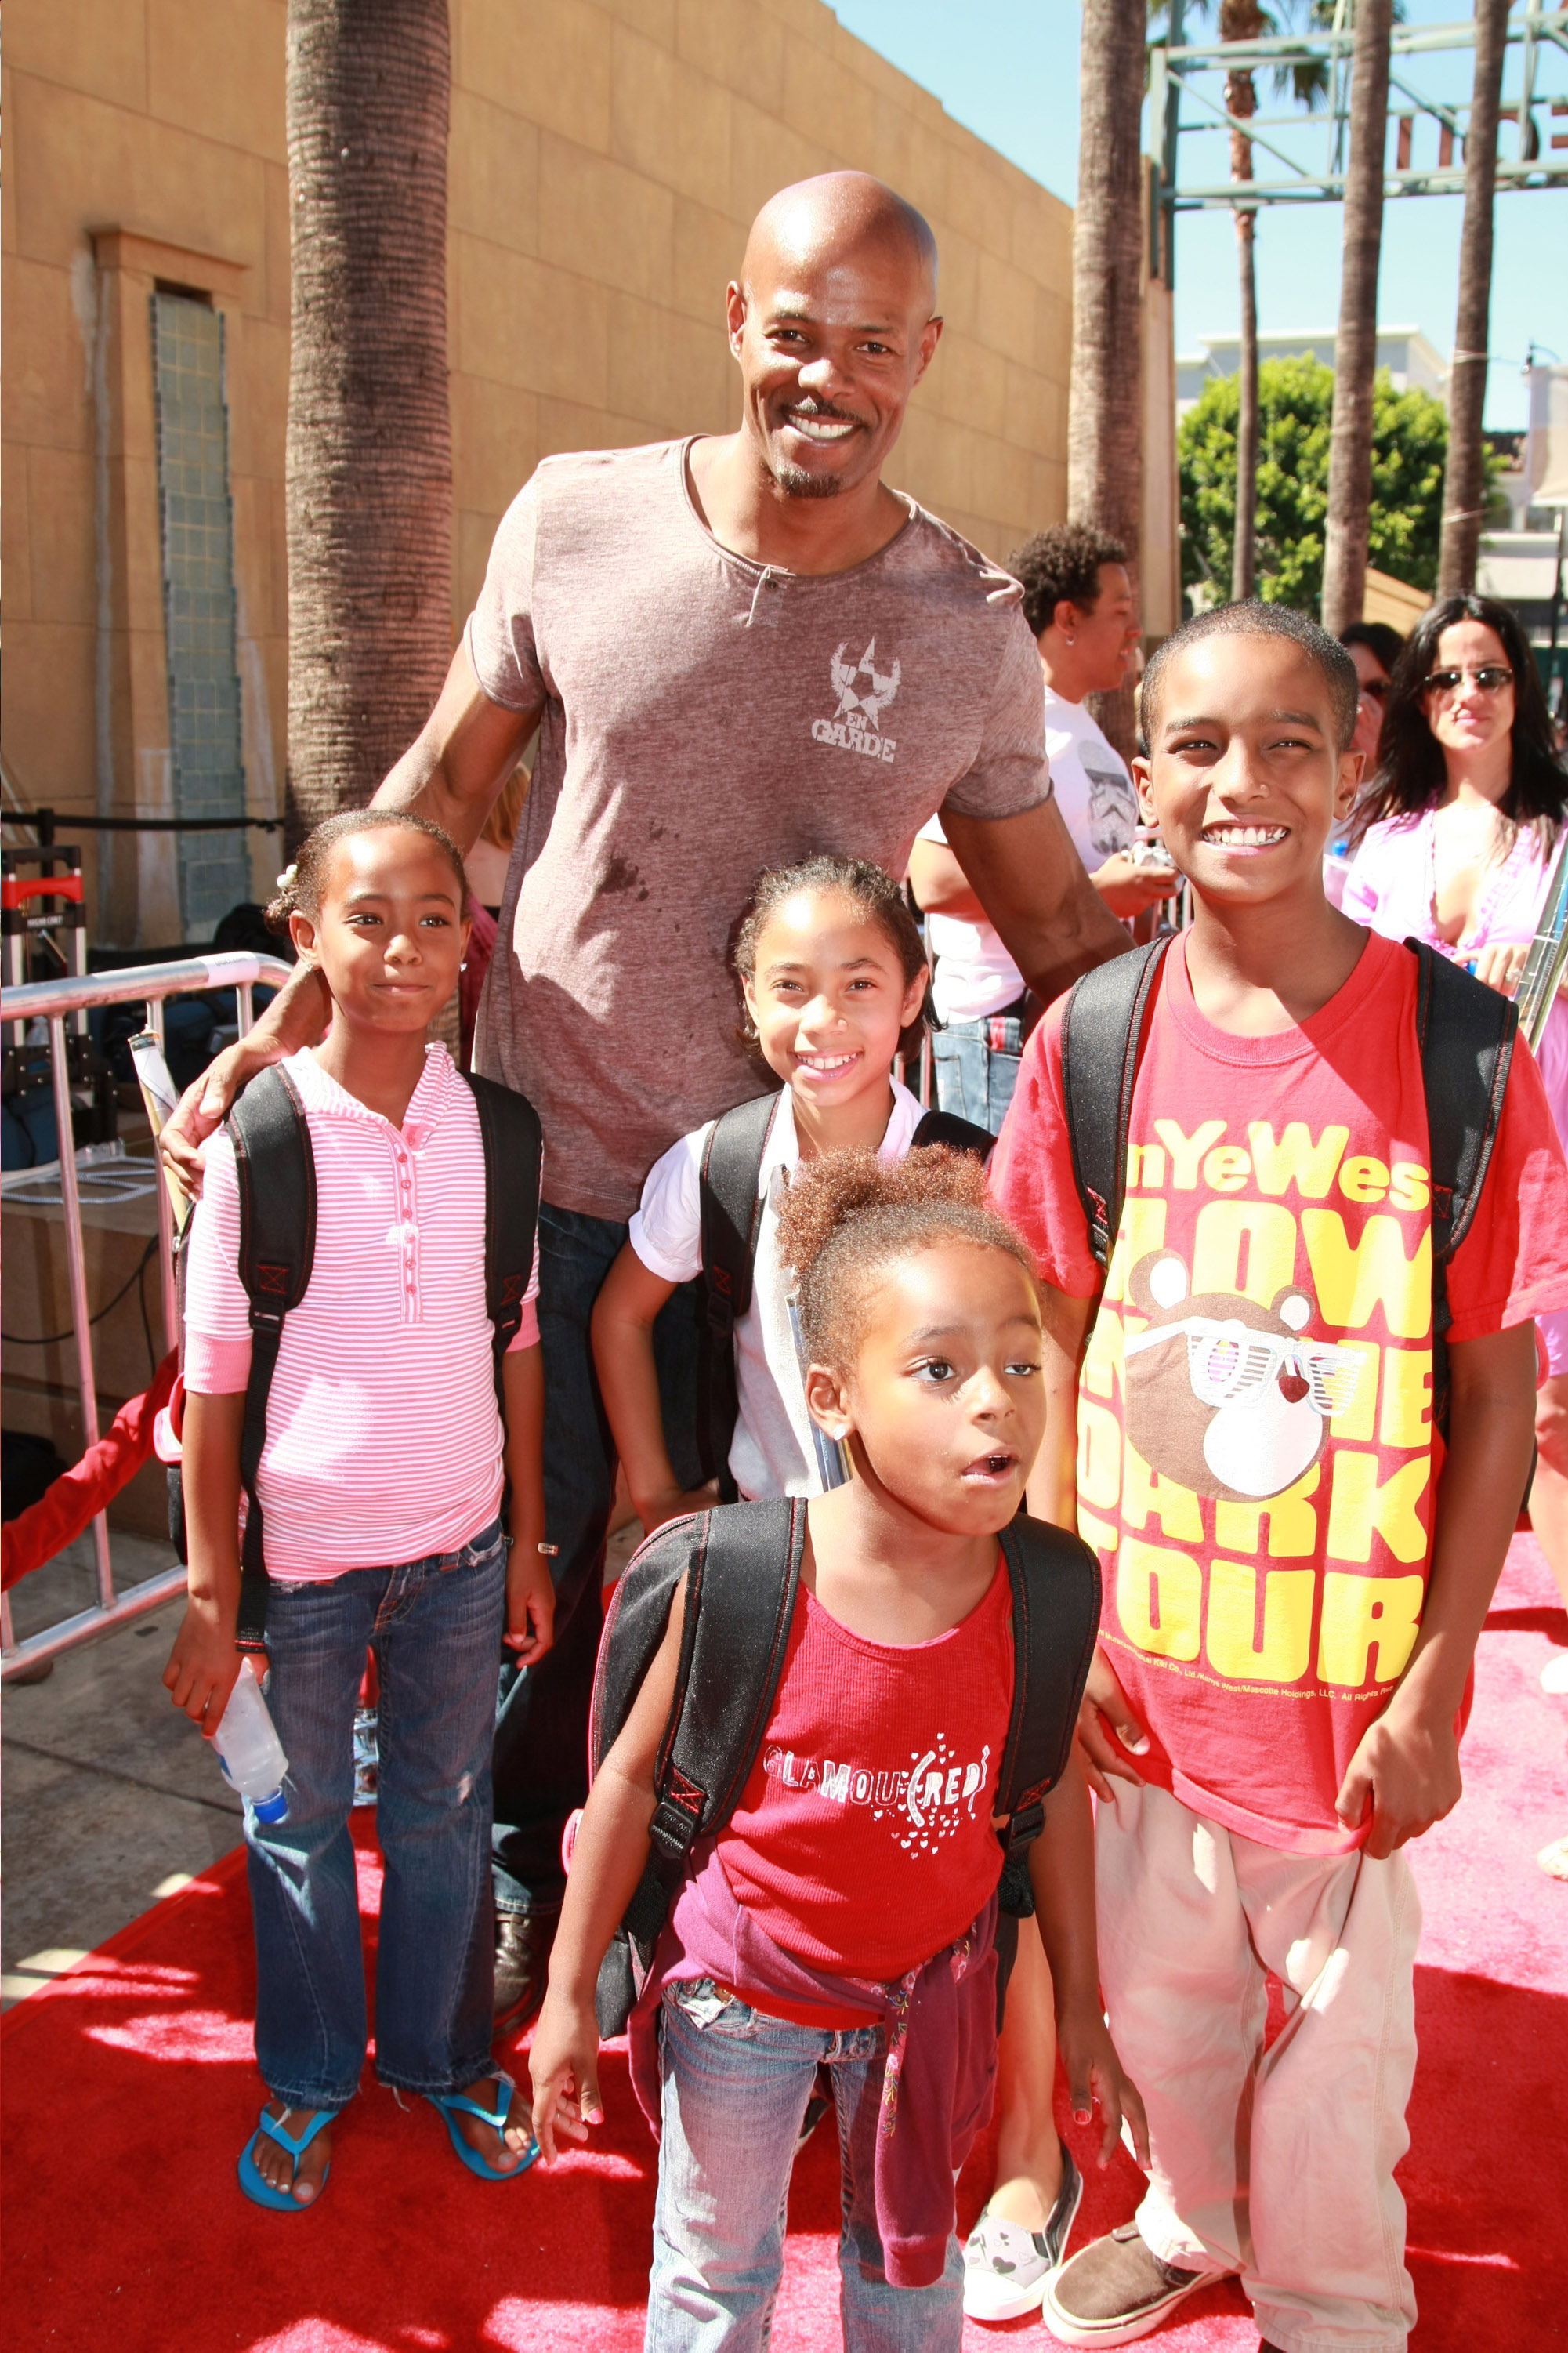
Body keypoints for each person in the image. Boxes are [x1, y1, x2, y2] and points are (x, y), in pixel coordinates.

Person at [158, 170, 1131, 2034]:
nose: (821, 374)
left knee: (797, 1604)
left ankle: (738, 1928)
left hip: (808, 1238)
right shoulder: (576, 516)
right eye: (792, 328)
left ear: (920, 357)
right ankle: (547, 1901)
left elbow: (1057, 927)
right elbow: (442, 778)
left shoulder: (962, 623)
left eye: (869, 342)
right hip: (571, 1183)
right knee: (558, 1591)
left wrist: (1248, 1035)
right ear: (731, 315)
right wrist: (297, 1010)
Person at [989, 601, 1568, 2351]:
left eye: (1288, 744)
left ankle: (1332, 2305)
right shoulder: (1085, 1041)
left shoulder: (1461, 1053)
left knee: (1337, 2057)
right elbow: (1049, 1356)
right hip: (1144, 1681)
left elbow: (1491, 1388)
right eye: (1195, 746)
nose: (1241, 781)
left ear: (1351, 768)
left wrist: (1443, 1665)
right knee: (1163, 2010)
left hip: (1347, 1698)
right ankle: (1193, 2213)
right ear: (1139, 777)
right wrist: (1063, 1616)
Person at [528, 1148, 1148, 2351]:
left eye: (1022, 1362)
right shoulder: (744, 1576)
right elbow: (628, 1784)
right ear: (829, 1397)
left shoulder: (1047, 1590)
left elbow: (1048, 1796)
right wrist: (565, 1993)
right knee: (715, 2272)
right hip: (740, 2000)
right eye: (940, 1368)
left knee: (912, 2263)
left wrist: (1081, 2005)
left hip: (936, 1992)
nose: (997, 1401)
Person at [161, 810, 555, 2208]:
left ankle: (440, 2058)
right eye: (368, 916)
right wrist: (217, 1601)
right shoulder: (263, 1138)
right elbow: (214, 1385)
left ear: (470, 941)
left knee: (446, 1815)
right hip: (306, 1572)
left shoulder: (499, 1132)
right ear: (308, 937)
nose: (402, 946)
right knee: (300, 1817)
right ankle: (315, 2072)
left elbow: (512, 1336)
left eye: (434, 917)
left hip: (458, 1555)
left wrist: (525, 1541)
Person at [1341, 594, 1568, 1718]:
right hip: (1421, 1149)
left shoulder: (1560, 840)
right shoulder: (1383, 844)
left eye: (1487, 675)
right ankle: (1411, 1616)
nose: (1467, 696)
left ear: (1520, 692)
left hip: (1548, 1142)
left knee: (1553, 1400)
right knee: (1416, 1382)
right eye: (1444, 679)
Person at [593, 855, 932, 1524]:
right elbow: (620, 1316)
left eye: (859, 984)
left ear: (912, 994)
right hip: (778, 1542)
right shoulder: (717, 1166)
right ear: (749, 995)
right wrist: (654, 1493)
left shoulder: (968, 1172)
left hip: (932, 1550)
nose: (822, 1019)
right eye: (790, 986)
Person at [909, 525, 1179, 1134]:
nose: (1135, 631)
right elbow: (933, 881)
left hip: (1082, 1019)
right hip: (1001, 1025)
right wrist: (1100, 891)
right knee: (997, 1227)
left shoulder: (1094, 743)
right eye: (1120, 613)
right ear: (1067, 617)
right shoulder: (1007, 719)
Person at [1323, 620, 1404, 907]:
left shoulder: (1424, 797)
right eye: (1349, 690)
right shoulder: (1310, 785)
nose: (1360, 705)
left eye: (1378, 689)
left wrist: (1379, 755)